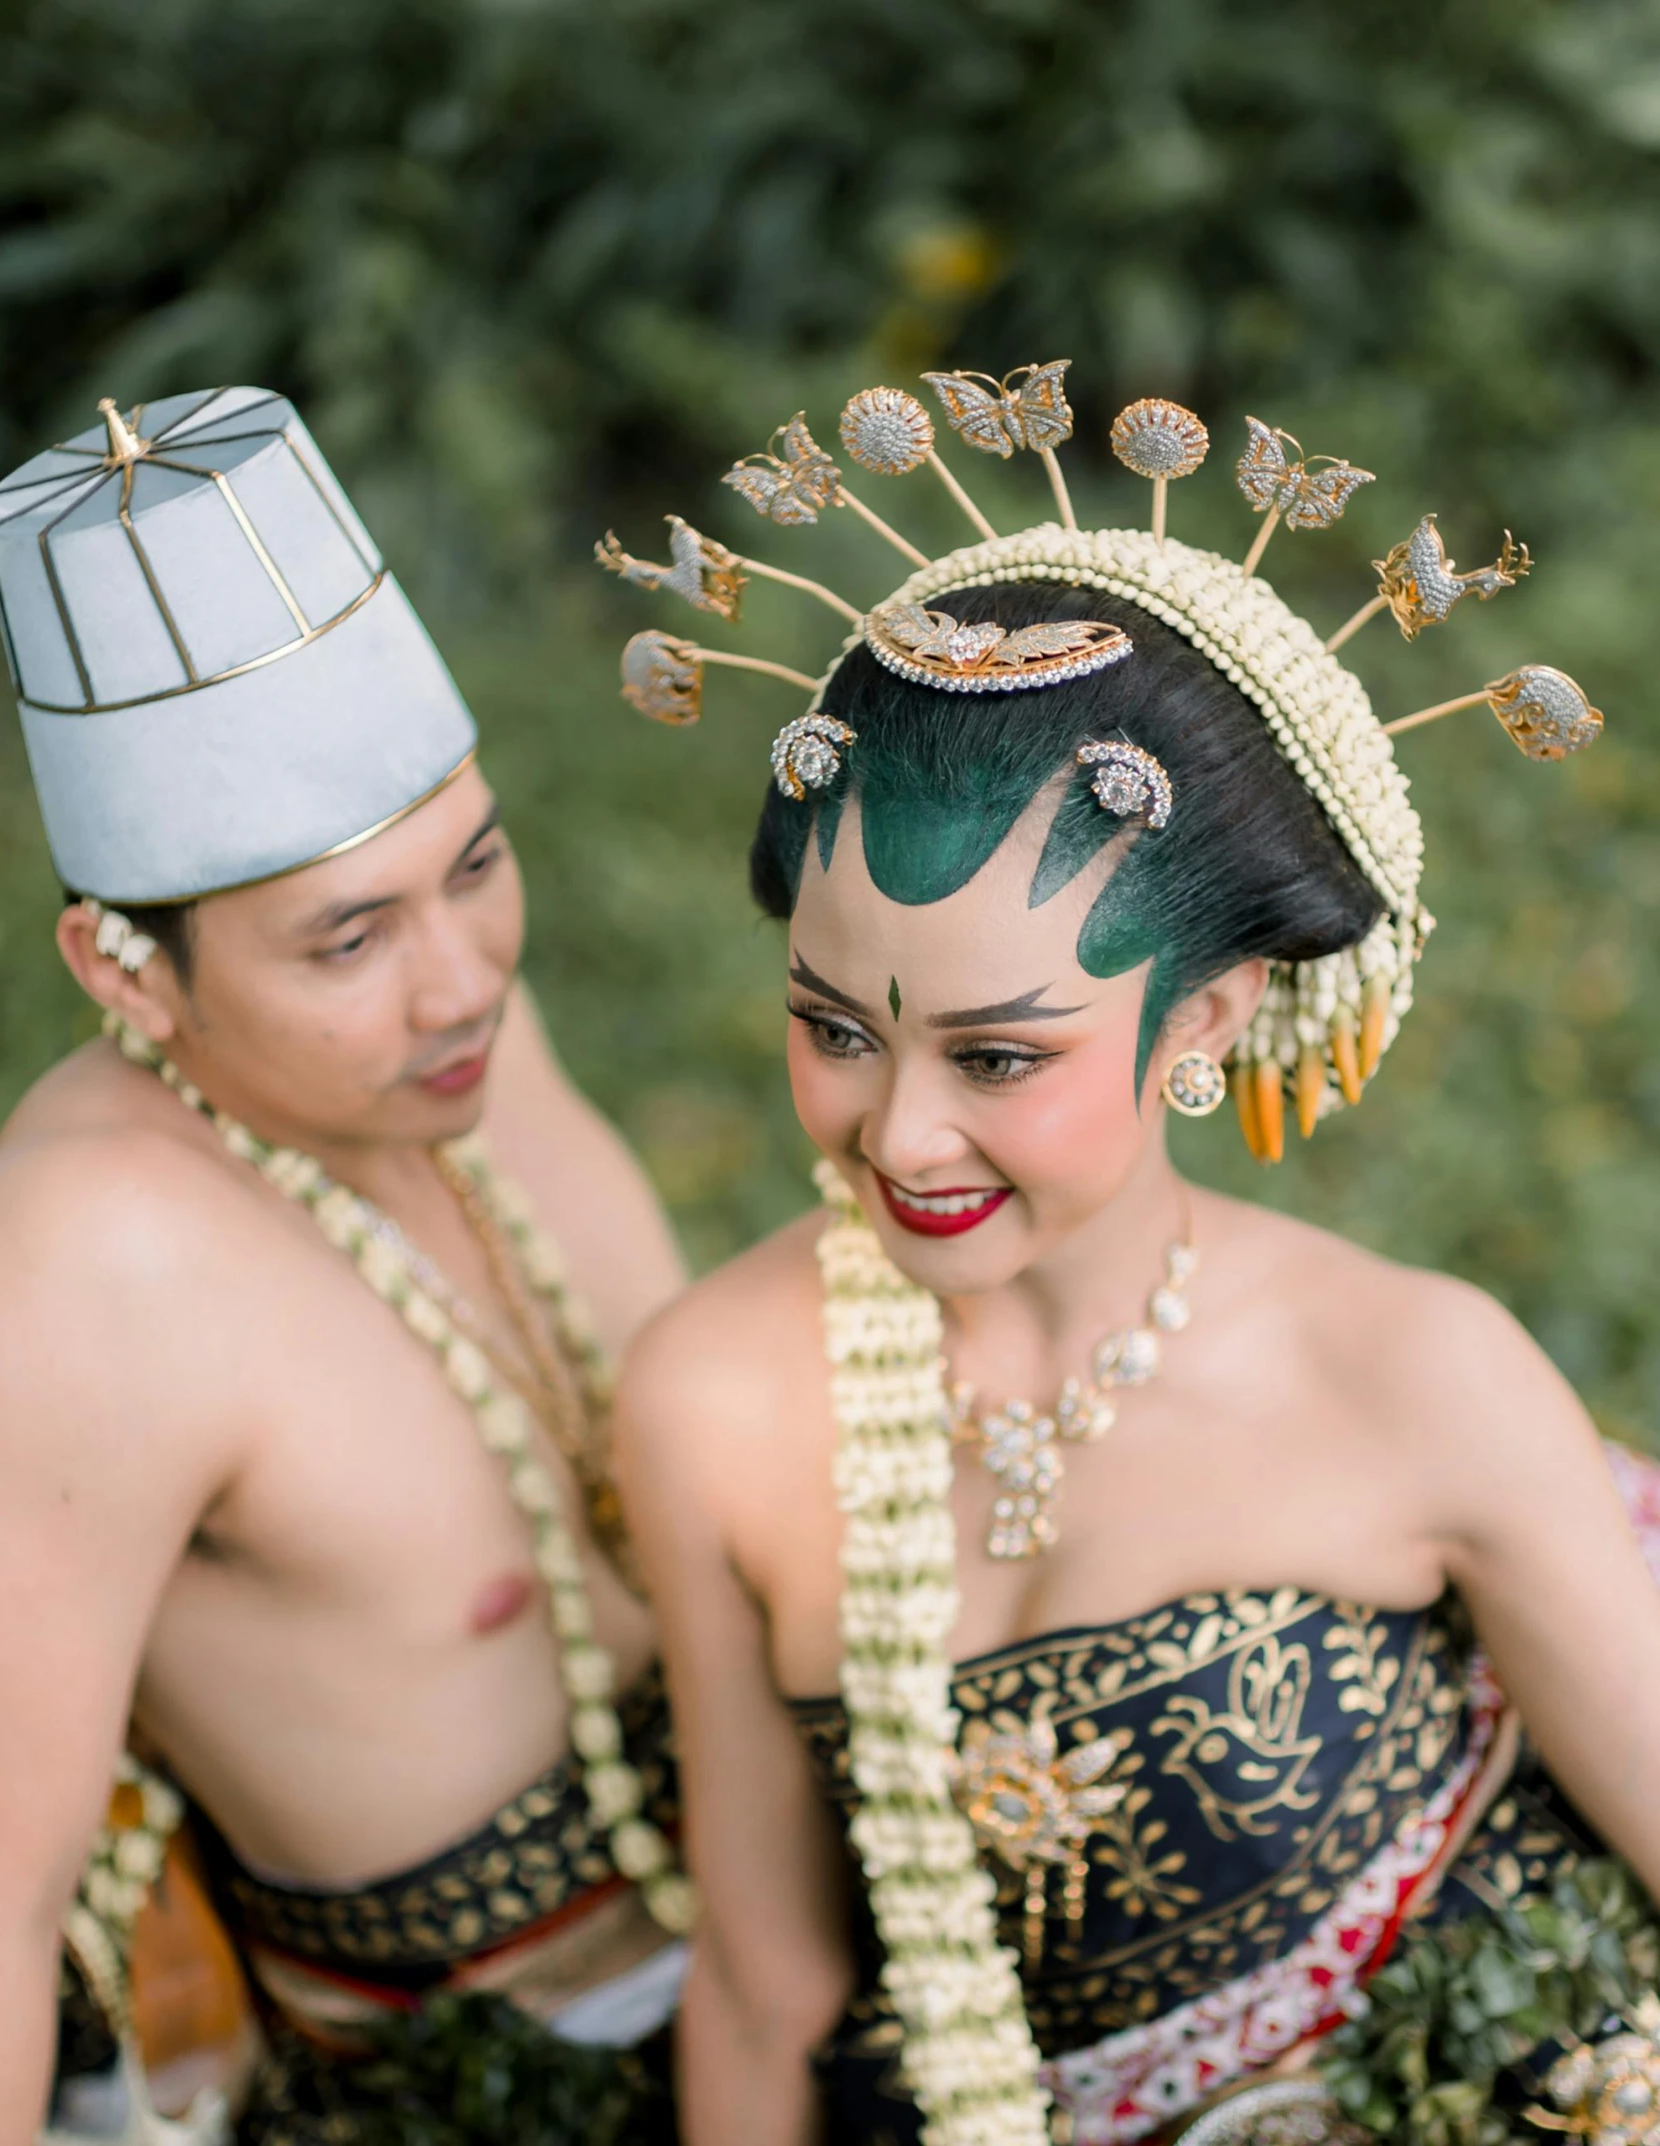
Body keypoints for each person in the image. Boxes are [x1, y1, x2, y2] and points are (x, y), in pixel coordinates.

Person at [608, 376, 1660, 2146]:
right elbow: (766, 1981)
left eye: (998, 1056)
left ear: (1210, 1021)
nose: (899, 1136)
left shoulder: (1412, 1376)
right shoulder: (709, 1398)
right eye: (835, 1026)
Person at [0, 388, 692, 2146]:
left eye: (480, 866)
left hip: (811, 1945)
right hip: (491, 2100)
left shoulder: (451, 1033)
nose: (457, 980)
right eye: (347, 937)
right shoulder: (71, 1270)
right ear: (126, 975)